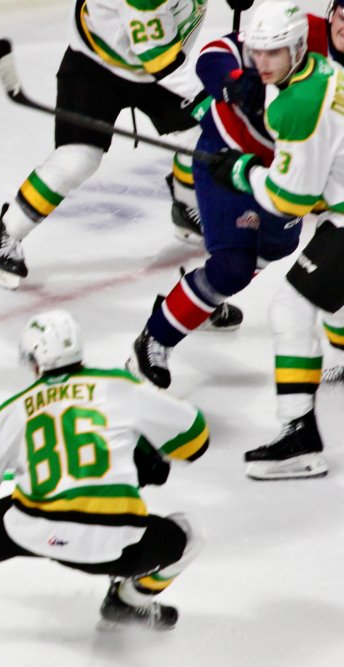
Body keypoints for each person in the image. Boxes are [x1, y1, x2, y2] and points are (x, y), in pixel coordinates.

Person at [0, 310, 209, 633]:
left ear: (34, 359)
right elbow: (195, 438)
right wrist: (146, 451)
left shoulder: (16, 409)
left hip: (33, 529)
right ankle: (129, 600)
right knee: (189, 535)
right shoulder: (119, 386)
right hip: (114, 546)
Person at [126, 2, 344, 387]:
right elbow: (214, 53)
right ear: (331, 14)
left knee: (275, 248)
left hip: (284, 175)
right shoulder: (297, 32)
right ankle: (156, 338)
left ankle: (199, 296)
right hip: (227, 158)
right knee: (233, 267)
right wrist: (230, 82)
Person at [0, 0, 215, 291]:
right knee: (77, 160)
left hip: (159, 63)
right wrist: (207, 98)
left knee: (203, 134)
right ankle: (6, 236)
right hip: (95, 67)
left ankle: (187, 208)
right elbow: (160, 59)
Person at [209, 0, 344, 480]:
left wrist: (245, 173)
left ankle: (298, 438)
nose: (261, 62)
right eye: (256, 51)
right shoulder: (318, 70)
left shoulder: (301, 103)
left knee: (289, 308)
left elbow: (290, 201)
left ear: (297, 47)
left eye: (274, 53)